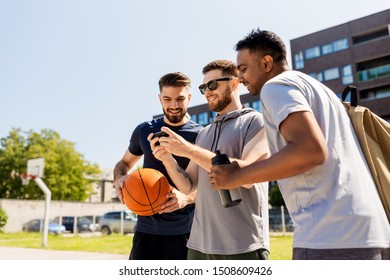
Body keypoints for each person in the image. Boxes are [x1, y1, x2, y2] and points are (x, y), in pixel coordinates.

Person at [208, 29, 390, 260]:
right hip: (373, 231)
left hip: (329, 235)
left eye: (243, 69)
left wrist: (238, 175)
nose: (241, 78)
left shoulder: (276, 87)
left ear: (266, 63)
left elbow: (309, 150)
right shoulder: (321, 91)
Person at [151, 60, 270, 260]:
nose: (207, 91)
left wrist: (188, 149)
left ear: (234, 84)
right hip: (198, 246)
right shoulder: (204, 134)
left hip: (242, 245)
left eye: (213, 85)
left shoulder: (257, 122)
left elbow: (247, 175)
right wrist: (168, 159)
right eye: (203, 87)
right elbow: (188, 186)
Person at [113, 72, 203, 260]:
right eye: (167, 99)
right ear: (159, 98)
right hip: (146, 230)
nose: (174, 105)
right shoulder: (145, 130)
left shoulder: (202, 135)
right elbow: (123, 163)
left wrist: (187, 198)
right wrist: (119, 178)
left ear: (189, 98)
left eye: (180, 99)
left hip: (188, 230)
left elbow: (210, 183)